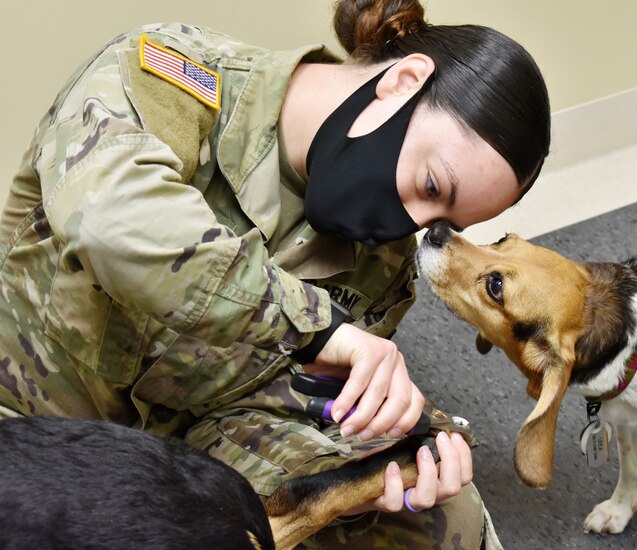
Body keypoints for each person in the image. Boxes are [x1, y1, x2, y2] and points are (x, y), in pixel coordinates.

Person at [0, 0, 550, 547]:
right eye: (431, 186)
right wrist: (314, 327)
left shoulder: (381, 264)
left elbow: (257, 412)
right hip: (25, 432)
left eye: (442, 220)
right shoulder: (171, 73)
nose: (409, 223)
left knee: (445, 521)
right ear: (403, 82)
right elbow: (110, 224)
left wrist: (357, 472)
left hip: (175, 460)